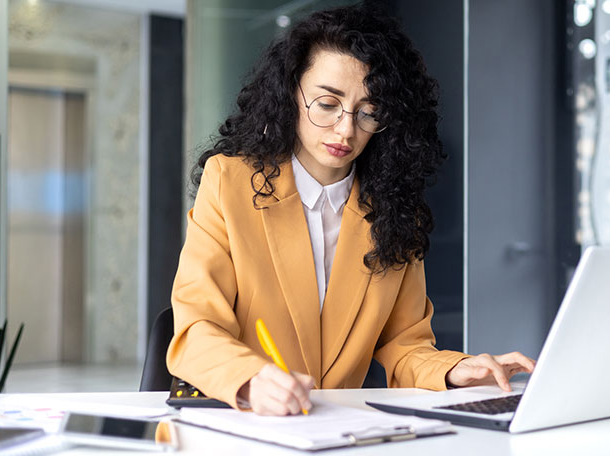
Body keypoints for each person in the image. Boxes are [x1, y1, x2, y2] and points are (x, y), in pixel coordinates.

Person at [166, 3, 535, 416]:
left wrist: (455, 369)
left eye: (369, 112)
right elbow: (197, 329)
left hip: (342, 428)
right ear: (292, 94)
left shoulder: (395, 211)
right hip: (250, 422)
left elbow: (405, 345)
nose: (346, 129)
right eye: (327, 104)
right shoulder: (230, 183)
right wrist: (251, 379)